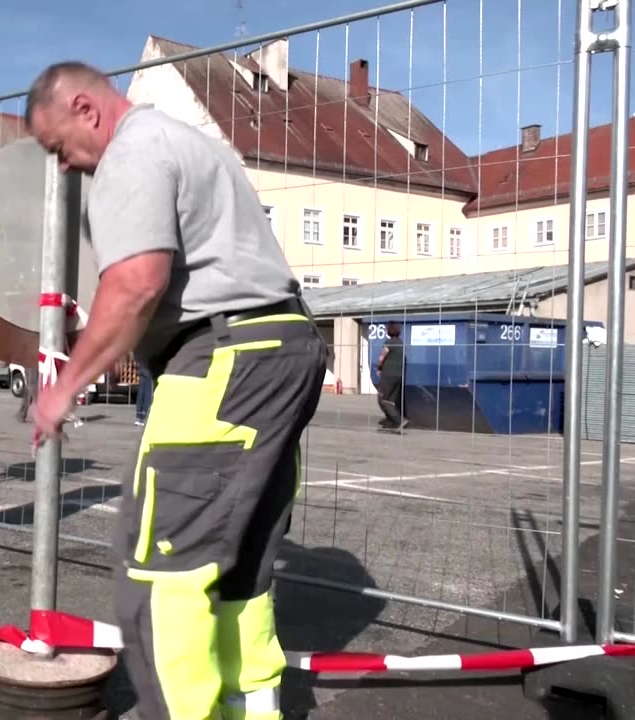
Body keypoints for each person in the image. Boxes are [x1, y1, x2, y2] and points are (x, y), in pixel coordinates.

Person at [25, 61, 328, 720]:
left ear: (85, 108)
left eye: (60, 149)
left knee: (161, 578)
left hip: (223, 360)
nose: (67, 167)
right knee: (238, 573)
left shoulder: (131, 153)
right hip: (280, 349)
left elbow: (136, 283)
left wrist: (66, 384)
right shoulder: (188, 143)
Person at [374, 322, 406, 432]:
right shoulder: (401, 343)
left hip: (388, 375)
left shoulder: (389, 343)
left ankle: (398, 420)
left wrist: (378, 368)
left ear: (388, 332)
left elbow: (381, 357)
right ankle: (391, 422)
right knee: (390, 401)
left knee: (382, 399)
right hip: (398, 376)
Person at [133, 359, 153, 426]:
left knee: (143, 396)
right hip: (147, 372)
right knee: (144, 396)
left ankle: (141, 418)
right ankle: (141, 418)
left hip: (145, 372)